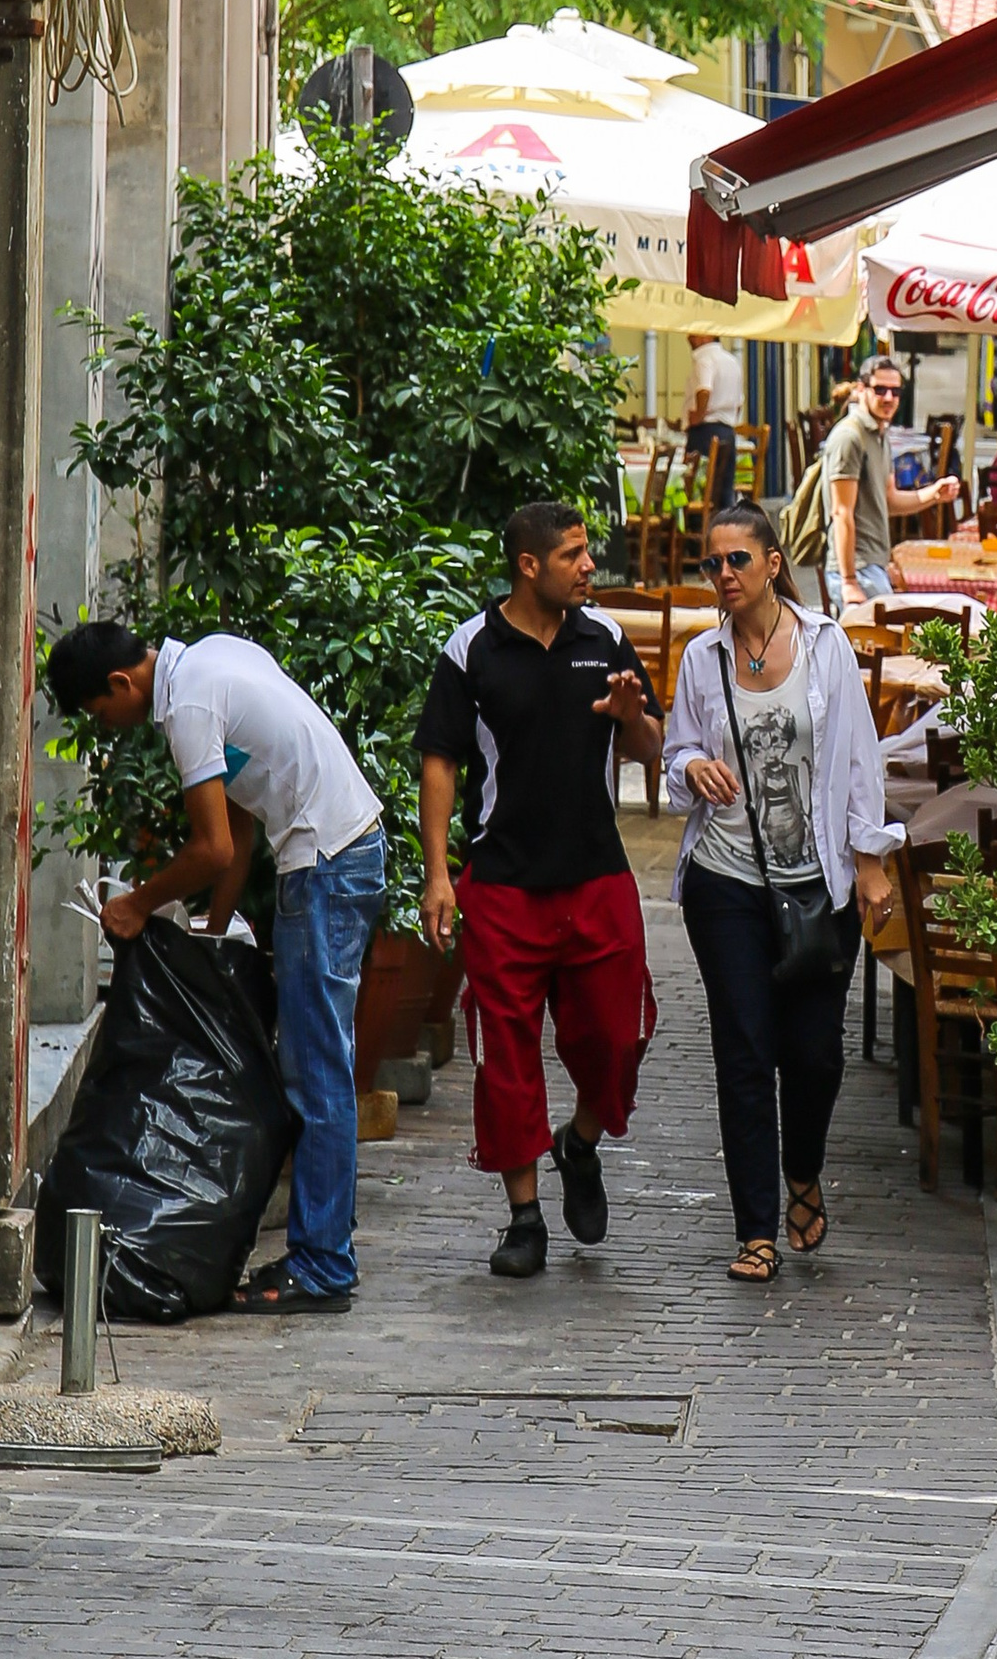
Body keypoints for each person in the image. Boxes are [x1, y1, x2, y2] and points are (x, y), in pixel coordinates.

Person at [44, 616, 386, 1315]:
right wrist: (211, 924)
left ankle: (324, 1264)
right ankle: (323, 1250)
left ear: (121, 683)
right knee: (317, 1065)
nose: (108, 726)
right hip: (338, 855)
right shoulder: (212, 659)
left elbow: (214, 848)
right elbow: (243, 824)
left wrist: (137, 904)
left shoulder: (190, 706)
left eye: (99, 712)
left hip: (324, 866)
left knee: (316, 1072)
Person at [418, 498, 665, 1280]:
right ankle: (524, 1216)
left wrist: (631, 719)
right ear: (529, 565)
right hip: (503, 886)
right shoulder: (471, 649)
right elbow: (440, 761)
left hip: (597, 876)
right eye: (573, 555)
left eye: (587, 551)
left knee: (619, 1037)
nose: (590, 565)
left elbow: (650, 743)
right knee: (506, 1056)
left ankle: (580, 1143)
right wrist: (437, 874)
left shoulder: (606, 638)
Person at [662, 501, 902, 1282]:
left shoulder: (826, 646)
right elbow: (675, 758)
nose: (724, 574)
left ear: (772, 563)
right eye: (712, 562)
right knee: (744, 1050)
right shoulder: (701, 658)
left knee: (815, 1055)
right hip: (726, 880)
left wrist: (870, 859)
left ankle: (803, 1169)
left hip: (818, 883)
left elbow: (861, 758)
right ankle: (754, 1231)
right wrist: (691, 765)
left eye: (738, 559)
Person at [822, 348, 958, 610]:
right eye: (880, 389)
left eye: (895, 391)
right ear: (861, 389)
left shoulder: (880, 435)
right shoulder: (850, 437)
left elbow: (889, 499)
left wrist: (934, 494)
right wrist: (849, 581)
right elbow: (841, 512)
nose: (888, 398)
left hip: (873, 565)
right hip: (857, 570)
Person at [684, 330, 746, 513]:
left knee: (697, 489)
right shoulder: (732, 361)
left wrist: (699, 415)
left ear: (707, 335)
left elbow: (704, 390)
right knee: (724, 491)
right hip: (727, 431)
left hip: (705, 432)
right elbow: (739, 402)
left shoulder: (704, 359)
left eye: (694, 333)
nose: (689, 338)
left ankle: (697, 527)